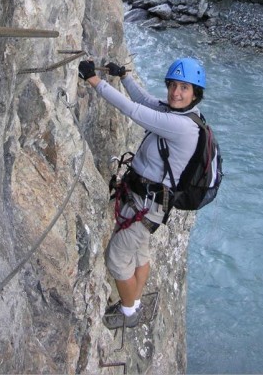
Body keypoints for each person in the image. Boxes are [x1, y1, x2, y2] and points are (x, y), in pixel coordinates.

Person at [78, 56, 206, 330]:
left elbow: (134, 111)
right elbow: (146, 100)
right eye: (173, 85)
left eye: (184, 88)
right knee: (139, 254)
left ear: (196, 94)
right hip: (146, 202)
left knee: (116, 258)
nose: (176, 92)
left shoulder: (181, 125)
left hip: (146, 205)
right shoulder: (178, 114)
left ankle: (128, 313)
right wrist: (123, 76)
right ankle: (134, 301)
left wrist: (95, 81)